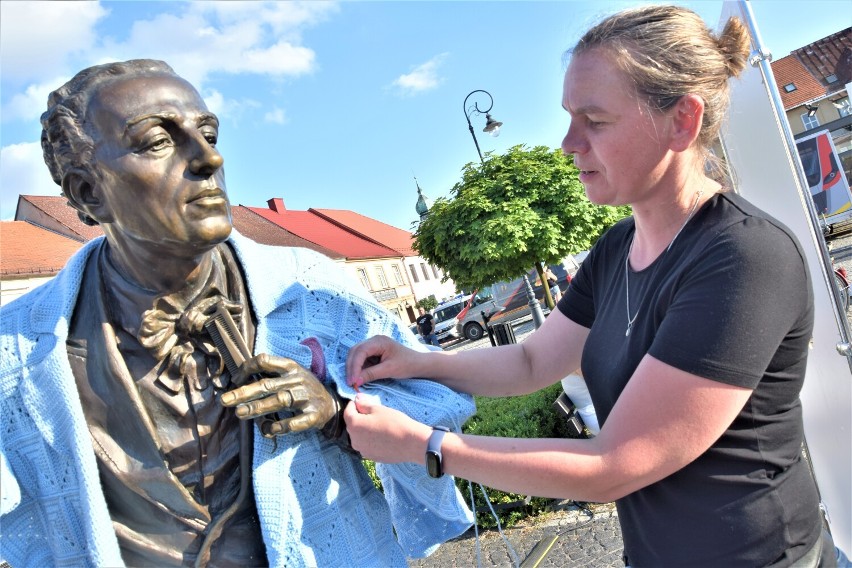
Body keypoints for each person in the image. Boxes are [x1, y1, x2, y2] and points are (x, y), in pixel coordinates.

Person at [344, 6, 840, 566]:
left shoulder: (744, 257)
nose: (568, 142)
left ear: (682, 121)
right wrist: (414, 361)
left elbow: (615, 465)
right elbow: (533, 361)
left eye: (595, 120)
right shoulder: (616, 248)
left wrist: (424, 447)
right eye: (568, 117)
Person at [0, 59, 474, 567]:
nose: (208, 157)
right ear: (88, 191)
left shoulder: (309, 291)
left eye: (207, 132)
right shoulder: (20, 353)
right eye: (157, 142)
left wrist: (339, 416)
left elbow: (438, 403)